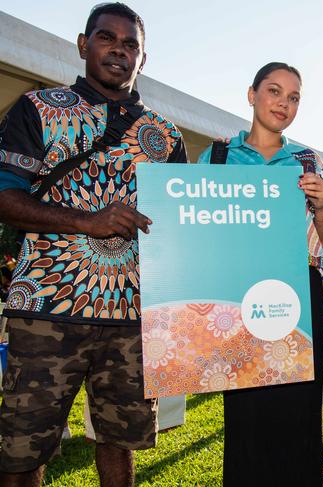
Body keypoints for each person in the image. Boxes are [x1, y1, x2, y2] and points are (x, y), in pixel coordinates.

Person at [0, 3, 187, 486]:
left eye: (131, 45)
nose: (118, 51)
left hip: (132, 318)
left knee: (119, 444)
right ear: (84, 45)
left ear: (143, 59)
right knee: (24, 450)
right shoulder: (38, 109)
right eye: (107, 39)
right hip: (47, 310)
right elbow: (4, 197)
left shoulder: (165, 138)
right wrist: (88, 221)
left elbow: (183, 224)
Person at [197, 62, 323, 487]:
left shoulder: (308, 162)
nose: (283, 104)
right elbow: (195, 229)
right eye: (274, 91)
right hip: (238, 297)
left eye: (293, 98)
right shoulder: (217, 157)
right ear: (251, 94)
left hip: (299, 297)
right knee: (246, 417)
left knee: (300, 415)